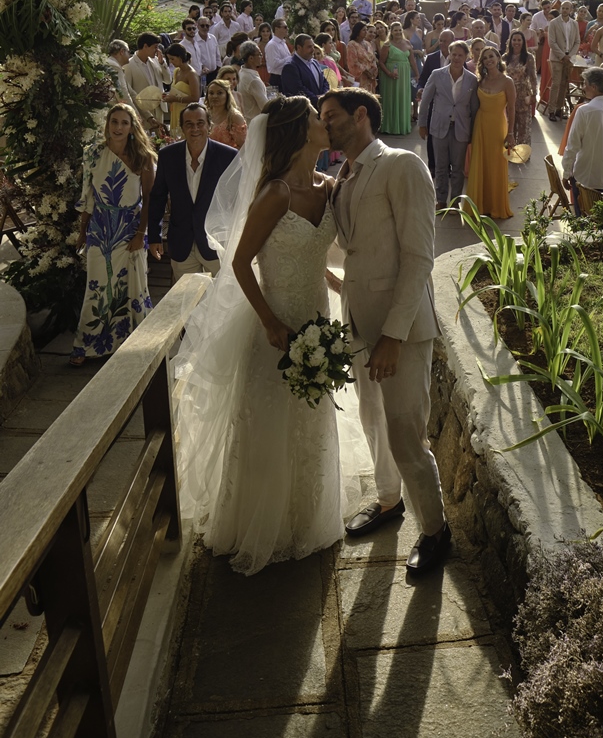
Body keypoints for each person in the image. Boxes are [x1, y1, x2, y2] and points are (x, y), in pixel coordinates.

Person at [174, 99, 352, 574]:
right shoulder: (275, 193)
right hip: (274, 322)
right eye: (318, 117)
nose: (325, 123)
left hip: (317, 314)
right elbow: (239, 262)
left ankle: (306, 516)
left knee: (311, 416)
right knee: (270, 419)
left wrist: (337, 283)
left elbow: (317, 251)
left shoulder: (330, 187)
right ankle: (259, 521)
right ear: (299, 132)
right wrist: (271, 322)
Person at [321, 89, 450, 575]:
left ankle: (436, 531)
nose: (325, 126)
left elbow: (418, 256)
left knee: (405, 433)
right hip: (359, 320)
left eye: (331, 117)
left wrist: (394, 335)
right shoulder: (344, 176)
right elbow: (356, 247)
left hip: (403, 330)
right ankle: (389, 500)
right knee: (373, 421)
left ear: (361, 116)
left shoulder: (402, 166)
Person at [70, 104, 156, 366]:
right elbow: (88, 197)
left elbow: (151, 200)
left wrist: (141, 234)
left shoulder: (143, 156)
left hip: (131, 228)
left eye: (124, 123)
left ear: (132, 128)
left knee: (132, 286)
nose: (118, 127)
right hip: (100, 228)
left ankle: (133, 339)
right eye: (114, 122)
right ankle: (86, 343)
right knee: (96, 287)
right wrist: (83, 231)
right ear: (107, 124)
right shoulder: (93, 154)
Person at [148, 103, 238, 280]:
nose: (195, 128)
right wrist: (154, 236)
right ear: (182, 128)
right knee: (185, 301)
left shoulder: (228, 157)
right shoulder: (168, 156)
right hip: (182, 242)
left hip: (216, 242)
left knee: (219, 302)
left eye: (200, 123)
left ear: (209, 126)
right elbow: (157, 197)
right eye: (189, 124)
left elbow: (237, 201)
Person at [418, 40, 478, 209]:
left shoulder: (472, 80)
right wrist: (422, 124)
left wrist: (472, 132)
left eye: (460, 55)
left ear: (467, 57)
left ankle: (455, 201)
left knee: (458, 168)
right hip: (439, 127)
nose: (457, 58)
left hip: (461, 128)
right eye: (454, 54)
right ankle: (441, 199)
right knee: (441, 166)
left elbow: (474, 108)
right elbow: (426, 101)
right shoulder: (437, 74)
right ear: (449, 55)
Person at [561, 68, 603, 209]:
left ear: (594, 87)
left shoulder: (584, 111)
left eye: (585, 84)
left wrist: (566, 173)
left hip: (585, 177)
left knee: (584, 221)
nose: (583, 88)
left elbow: (572, 146)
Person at [464, 46, 515, 220]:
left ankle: (495, 205)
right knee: (480, 163)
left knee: (496, 164)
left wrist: (511, 133)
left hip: (498, 126)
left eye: (491, 56)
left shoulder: (507, 81)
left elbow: (513, 109)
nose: (489, 60)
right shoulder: (481, 80)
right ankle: (479, 205)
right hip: (480, 125)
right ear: (482, 62)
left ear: (498, 57)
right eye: (485, 58)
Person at [124, 32, 171, 130]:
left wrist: (162, 63)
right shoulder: (129, 65)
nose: (157, 50)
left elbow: (168, 80)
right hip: (144, 114)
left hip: (159, 109)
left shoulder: (156, 61)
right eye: (155, 47)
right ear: (145, 46)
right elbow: (128, 92)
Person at [379, 21, 418, 135]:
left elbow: (412, 60)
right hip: (391, 75)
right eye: (395, 30)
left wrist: (416, 73)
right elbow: (381, 62)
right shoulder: (387, 45)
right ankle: (390, 126)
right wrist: (389, 73)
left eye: (400, 30)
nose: (398, 32)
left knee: (403, 97)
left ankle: (402, 125)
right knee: (391, 98)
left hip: (405, 75)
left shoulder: (407, 43)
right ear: (391, 32)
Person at [547, 1, 579, 121]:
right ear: (560, 9)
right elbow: (552, 42)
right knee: (556, 83)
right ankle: (551, 110)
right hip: (557, 58)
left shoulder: (574, 24)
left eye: (567, 8)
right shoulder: (554, 23)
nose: (565, 10)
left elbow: (577, 41)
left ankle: (559, 109)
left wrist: (570, 55)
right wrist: (562, 56)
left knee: (564, 84)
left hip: (569, 58)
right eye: (563, 8)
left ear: (571, 10)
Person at [505, 30, 537, 144]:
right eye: (514, 40)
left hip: (523, 93)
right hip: (508, 94)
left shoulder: (529, 57)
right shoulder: (505, 58)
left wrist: (534, 94)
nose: (516, 42)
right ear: (510, 42)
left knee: (523, 125)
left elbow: (533, 77)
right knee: (509, 123)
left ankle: (523, 152)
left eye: (519, 40)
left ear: (523, 42)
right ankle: (509, 150)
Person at [281, 33, 331, 103]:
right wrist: (317, 99)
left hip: (320, 106)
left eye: (313, 46)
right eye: (309, 47)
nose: (313, 50)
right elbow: (298, 89)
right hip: (304, 109)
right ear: (299, 48)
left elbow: (324, 81)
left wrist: (325, 96)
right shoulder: (290, 66)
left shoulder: (315, 62)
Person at [164, 43, 201, 134]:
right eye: (169, 59)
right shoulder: (177, 71)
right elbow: (177, 91)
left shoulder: (191, 74)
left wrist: (176, 99)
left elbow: (195, 98)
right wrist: (168, 96)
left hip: (186, 111)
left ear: (180, 57)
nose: (171, 61)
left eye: (172, 59)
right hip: (175, 109)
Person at [206, 77, 247, 149]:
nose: (215, 96)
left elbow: (243, 146)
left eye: (219, 93)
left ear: (227, 95)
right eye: (211, 93)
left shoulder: (234, 117)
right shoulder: (205, 114)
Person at [237, 41, 270, 121]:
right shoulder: (253, 80)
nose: (261, 56)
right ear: (251, 58)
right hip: (256, 123)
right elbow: (266, 107)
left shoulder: (241, 72)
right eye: (259, 54)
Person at [346, 21, 379, 92]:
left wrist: (373, 70)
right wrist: (366, 71)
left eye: (366, 30)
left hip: (370, 78)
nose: (366, 32)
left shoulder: (368, 44)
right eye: (364, 30)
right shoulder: (352, 45)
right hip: (360, 78)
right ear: (358, 31)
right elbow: (353, 63)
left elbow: (373, 59)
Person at [195, 16, 221, 87]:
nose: (205, 28)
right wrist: (202, 67)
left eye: (207, 25)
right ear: (197, 26)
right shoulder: (194, 40)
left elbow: (217, 55)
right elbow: (195, 58)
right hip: (202, 75)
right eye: (202, 26)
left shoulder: (213, 38)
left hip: (214, 73)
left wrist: (219, 68)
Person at [265, 19, 293, 86]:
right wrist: (290, 58)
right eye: (285, 27)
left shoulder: (283, 43)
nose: (287, 29)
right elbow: (274, 64)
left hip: (285, 77)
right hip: (277, 78)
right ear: (277, 29)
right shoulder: (272, 45)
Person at [105, 40, 133, 105]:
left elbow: (131, 93)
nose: (129, 55)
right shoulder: (114, 66)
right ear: (122, 51)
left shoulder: (110, 63)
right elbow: (123, 94)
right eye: (129, 52)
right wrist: (134, 114)